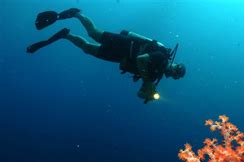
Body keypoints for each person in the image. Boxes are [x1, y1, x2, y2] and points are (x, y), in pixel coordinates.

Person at [26, 8, 186, 103]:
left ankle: (66, 35)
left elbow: (139, 93)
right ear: (175, 64)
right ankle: (77, 14)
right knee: (93, 33)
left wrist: (148, 94)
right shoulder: (161, 57)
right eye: (176, 70)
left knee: (88, 49)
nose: (172, 74)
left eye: (175, 76)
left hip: (120, 57)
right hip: (125, 45)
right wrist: (146, 81)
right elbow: (141, 59)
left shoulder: (154, 76)